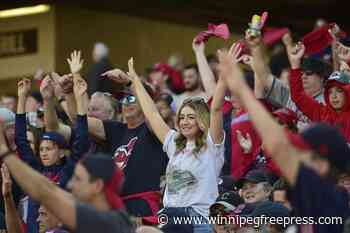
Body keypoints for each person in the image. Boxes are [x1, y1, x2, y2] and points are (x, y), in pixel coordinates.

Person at [217, 42, 350, 233]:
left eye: (307, 153)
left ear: (324, 164)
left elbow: (278, 143)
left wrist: (242, 89)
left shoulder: (333, 200)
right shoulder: (311, 190)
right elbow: (278, 140)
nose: (296, 156)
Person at [54, 52, 168, 218]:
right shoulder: (116, 129)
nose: (126, 103)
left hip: (143, 209)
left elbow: (152, 114)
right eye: (123, 99)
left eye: (131, 98)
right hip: (116, 209)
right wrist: (69, 93)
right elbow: (80, 120)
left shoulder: (153, 130)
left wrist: (131, 83)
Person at [128, 56, 225, 233]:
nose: (184, 122)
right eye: (181, 117)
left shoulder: (212, 145)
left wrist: (225, 76)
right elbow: (152, 114)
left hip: (198, 219)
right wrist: (135, 82)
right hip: (169, 216)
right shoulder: (174, 143)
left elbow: (217, 108)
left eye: (190, 117)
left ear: (202, 120)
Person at [0, 134, 135, 233]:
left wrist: (4, 152)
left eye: (78, 179)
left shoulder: (108, 222)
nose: (70, 185)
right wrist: (8, 197)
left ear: (97, 186)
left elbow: (45, 191)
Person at [246, 32, 332, 130]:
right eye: (301, 73)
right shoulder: (291, 95)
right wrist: (255, 47)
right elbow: (265, 77)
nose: (303, 77)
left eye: (308, 73)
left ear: (321, 77)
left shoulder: (330, 101)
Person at [287, 42, 350, 142]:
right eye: (330, 92)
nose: (334, 96)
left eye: (339, 91)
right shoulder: (322, 113)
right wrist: (295, 64)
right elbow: (298, 95)